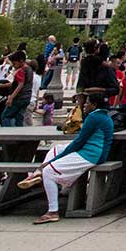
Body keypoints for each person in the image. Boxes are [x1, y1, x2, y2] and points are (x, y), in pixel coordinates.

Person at [19, 92, 114, 224]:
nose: (85, 105)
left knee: (49, 171)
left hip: (90, 154)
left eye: (87, 103)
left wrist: (52, 162)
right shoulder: (103, 116)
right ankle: (39, 173)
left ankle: (52, 210)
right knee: (55, 149)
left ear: (94, 105)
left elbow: (78, 142)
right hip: (92, 151)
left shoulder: (94, 118)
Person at [0, 49, 34, 125]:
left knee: (5, 116)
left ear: (21, 61)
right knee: (19, 117)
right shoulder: (29, 69)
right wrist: (3, 85)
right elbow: (18, 83)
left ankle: (9, 134)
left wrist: (11, 98)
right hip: (27, 97)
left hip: (19, 97)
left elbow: (20, 85)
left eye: (14, 63)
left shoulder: (20, 71)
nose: (13, 65)